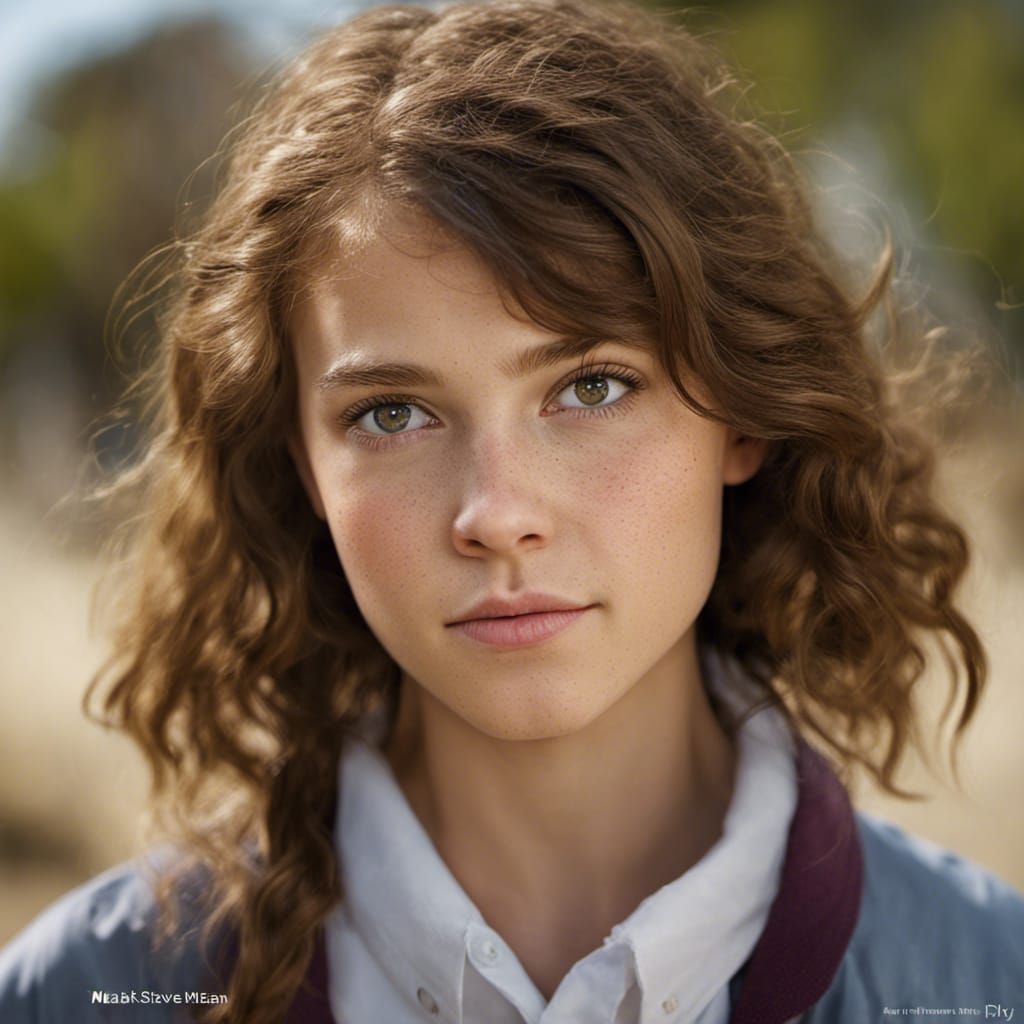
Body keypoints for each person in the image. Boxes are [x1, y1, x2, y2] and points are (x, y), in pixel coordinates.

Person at [1, 0, 1022, 1021]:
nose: (496, 513)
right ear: (300, 464)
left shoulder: (987, 982)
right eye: (391, 412)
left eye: (589, 387)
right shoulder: (79, 996)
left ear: (740, 412)